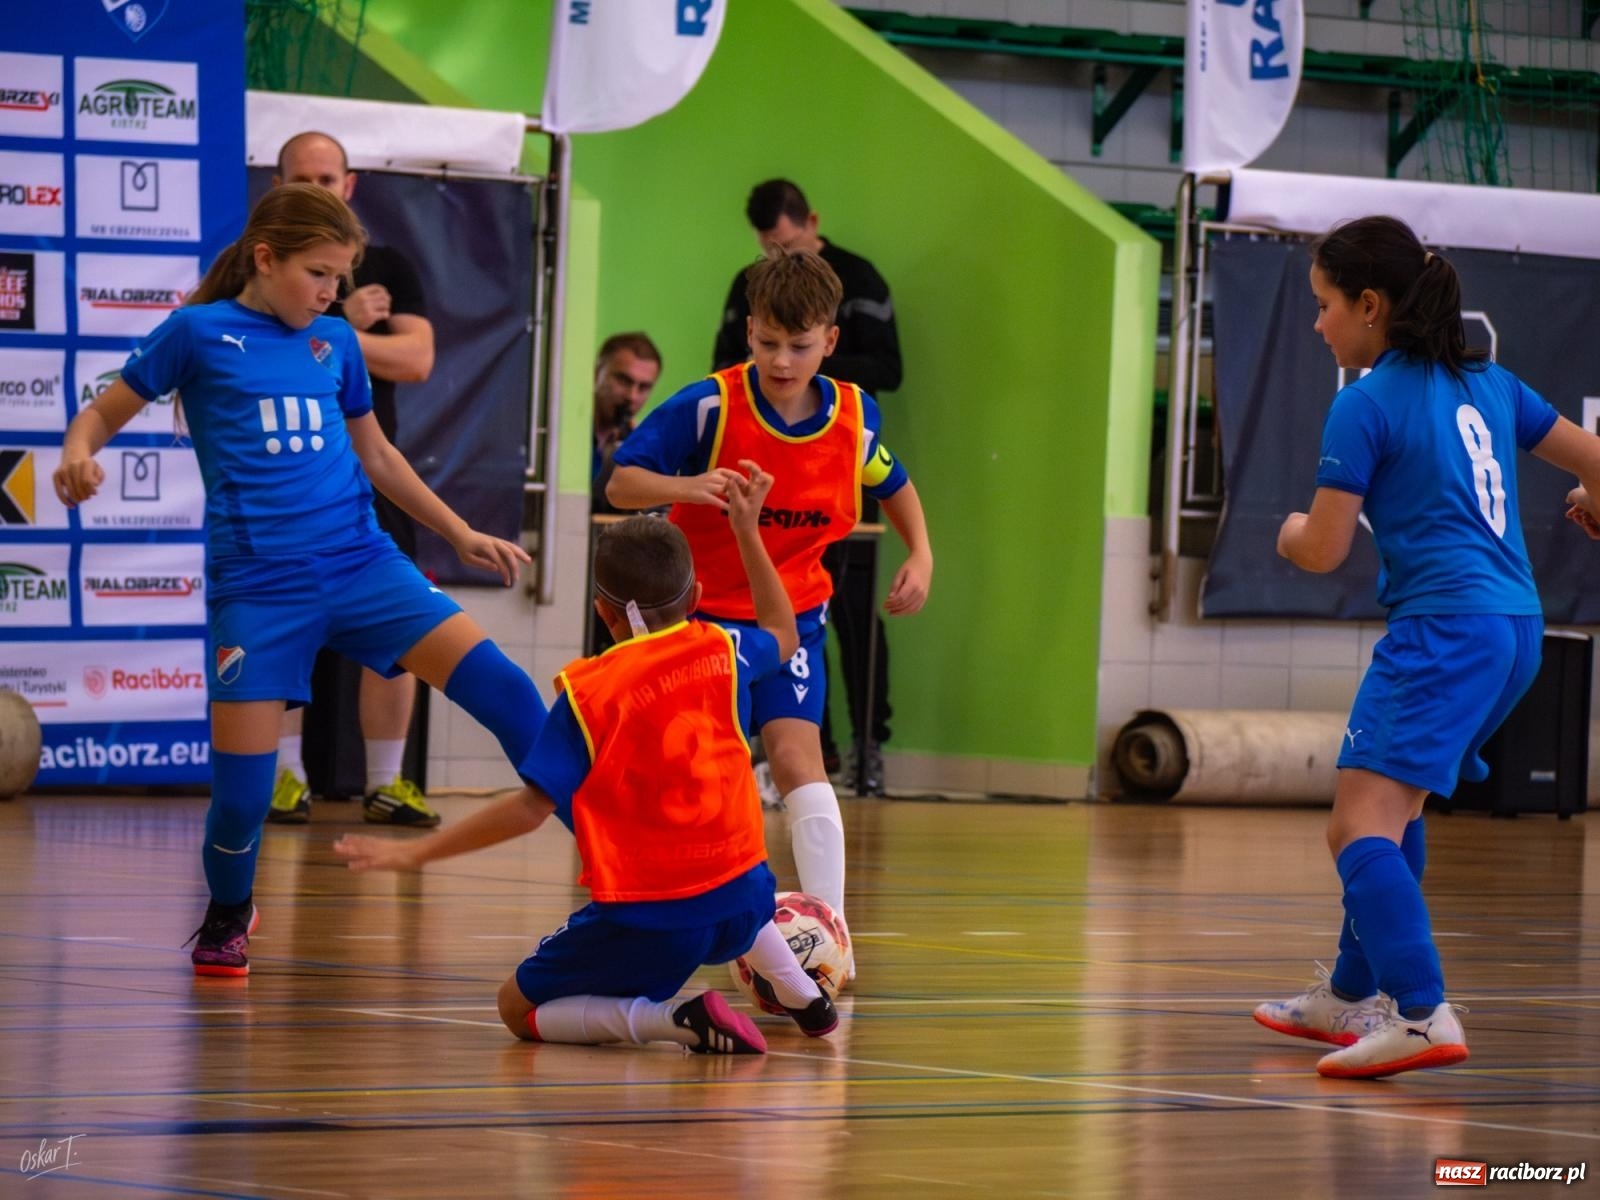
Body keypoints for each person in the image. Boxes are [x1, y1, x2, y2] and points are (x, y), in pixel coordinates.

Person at [53, 184, 548, 978]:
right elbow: (101, 414)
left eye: (340, 280)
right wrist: (79, 453)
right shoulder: (196, 332)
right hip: (259, 591)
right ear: (264, 258)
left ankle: (609, 834)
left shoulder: (335, 344)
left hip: (363, 565)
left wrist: (460, 533)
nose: (330, 294)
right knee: (244, 800)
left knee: (509, 691)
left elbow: (379, 456)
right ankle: (226, 913)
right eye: (319, 274)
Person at [1254, 214, 1600, 1079]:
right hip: (1515, 628)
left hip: (1444, 629)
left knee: (1356, 826)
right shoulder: (1491, 381)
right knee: (1393, 812)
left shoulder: (1364, 402)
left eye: (1325, 305)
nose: (1318, 324)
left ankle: (1419, 1013)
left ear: (1370, 306)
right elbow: (1597, 458)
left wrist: (1288, 529)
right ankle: (1344, 995)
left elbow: (1325, 549)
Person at [333, 484, 839, 1054]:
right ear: (695, 594)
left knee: (516, 1008)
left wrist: (415, 853)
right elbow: (784, 629)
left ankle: (675, 1019)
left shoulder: (588, 695)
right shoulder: (728, 649)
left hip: (655, 920)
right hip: (749, 899)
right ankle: (806, 997)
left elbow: (529, 811)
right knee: (731, 878)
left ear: (600, 610)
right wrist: (747, 530)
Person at [609, 247, 934, 956]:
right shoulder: (707, 409)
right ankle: (670, 915)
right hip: (697, 625)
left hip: (790, 622)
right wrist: (688, 488)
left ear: (831, 341)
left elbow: (892, 481)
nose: (783, 361)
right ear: (749, 330)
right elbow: (621, 483)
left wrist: (922, 552)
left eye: (800, 346)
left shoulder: (854, 418)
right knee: (691, 775)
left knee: (797, 758)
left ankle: (831, 932)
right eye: (767, 343)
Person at [266, 131, 442, 828]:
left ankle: (386, 781)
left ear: (351, 183)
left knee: (402, 626)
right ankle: (285, 776)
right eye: (300, 178)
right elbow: (253, 349)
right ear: (278, 186)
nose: (315, 188)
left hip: (372, 472)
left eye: (327, 177)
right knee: (282, 622)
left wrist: (340, 331)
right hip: (285, 478)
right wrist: (341, 322)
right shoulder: (259, 268)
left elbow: (417, 358)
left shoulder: (389, 264)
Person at [713, 180, 902, 794]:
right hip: (761, 482)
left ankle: (866, 744)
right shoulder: (752, 284)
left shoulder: (861, 281)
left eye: (787, 240)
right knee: (760, 619)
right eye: (768, 245)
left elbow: (888, 369)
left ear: (812, 221)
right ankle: (778, 754)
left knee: (849, 617)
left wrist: (805, 374)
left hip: (833, 473)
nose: (778, 254)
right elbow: (721, 368)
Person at [591, 332, 662, 513]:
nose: (632, 396)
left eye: (643, 387)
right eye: (623, 381)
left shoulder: (638, 444)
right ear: (597, 372)